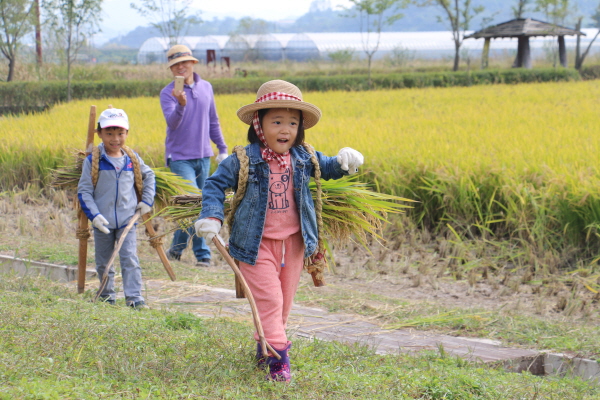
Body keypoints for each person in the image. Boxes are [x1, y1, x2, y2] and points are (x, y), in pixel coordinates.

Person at [194, 80, 364, 382]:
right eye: (277, 121)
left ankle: (264, 351)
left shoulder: (302, 157)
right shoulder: (243, 159)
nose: (285, 129)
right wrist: (212, 216)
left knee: (282, 305)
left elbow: (327, 167)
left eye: (292, 123)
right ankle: (279, 364)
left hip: (295, 244)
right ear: (259, 124)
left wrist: (343, 160)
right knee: (270, 301)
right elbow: (215, 184)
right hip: (254, 245)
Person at [78, 108, 156, 308]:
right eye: (109, 133)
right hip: (102, 221)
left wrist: (146, 202)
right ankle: (106, 296)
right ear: (100, 134)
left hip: (127, 220)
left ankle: (135, 299)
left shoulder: (132, 159)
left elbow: (149, 177)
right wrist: (94, 216)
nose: (115, 139)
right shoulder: (93, 161)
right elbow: (84, 191)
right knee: (104, 261)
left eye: (120, 133)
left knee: (129, 258)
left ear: (127, 133)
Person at [160, 44, 229, 267]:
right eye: (175, 64)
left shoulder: (206, 87)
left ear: (192, 63)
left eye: (184, 62)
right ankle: (203, 254)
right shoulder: (167, 93)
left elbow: (213, 120)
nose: (181, 67)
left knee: (192, 205)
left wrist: (222, 148)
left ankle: (176, 249)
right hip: (179, 157)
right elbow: (173, 123)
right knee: (196, 204)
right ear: (171, 69)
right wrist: (180, 104)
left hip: (203, 157)